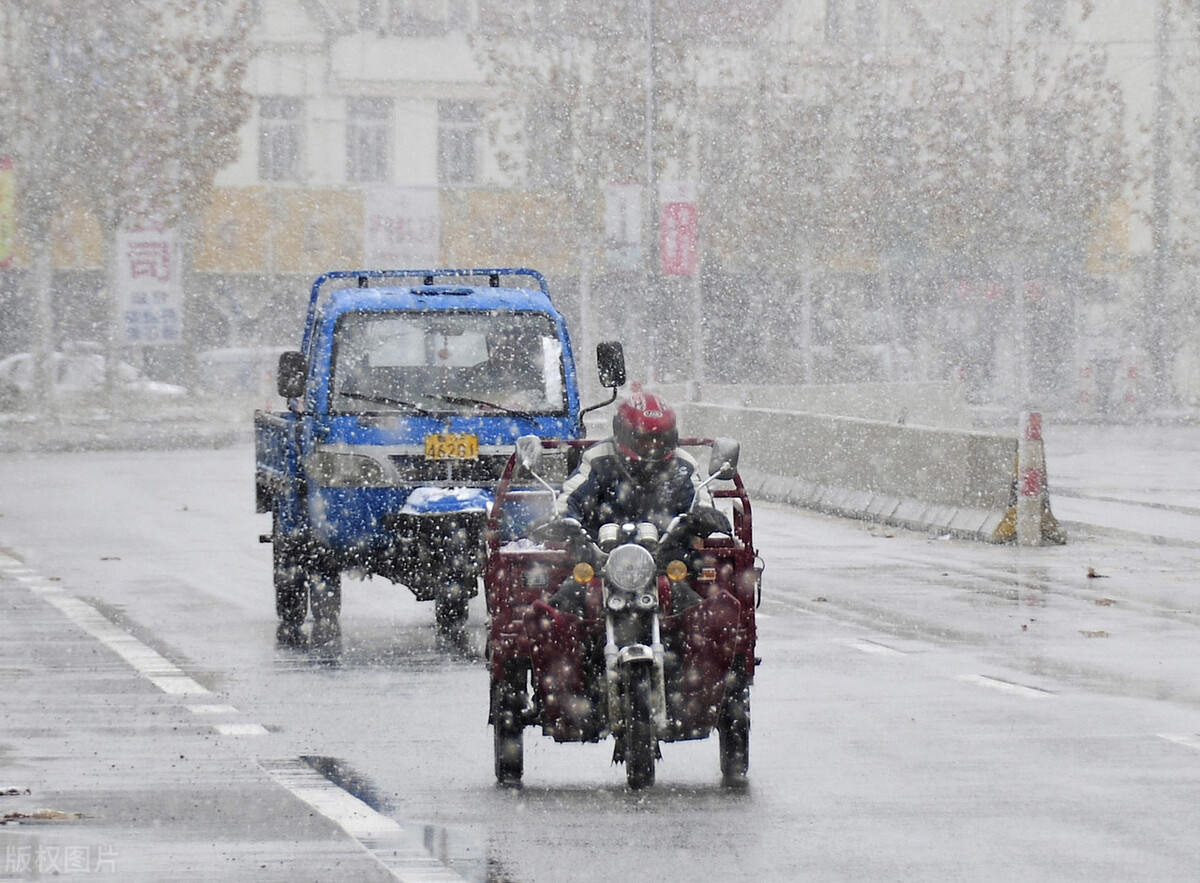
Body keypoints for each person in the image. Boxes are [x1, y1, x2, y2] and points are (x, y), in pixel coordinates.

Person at [555, 390, 712, 538]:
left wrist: (706, 515)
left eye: (660, 438)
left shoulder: (684, 465)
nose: (652, 445)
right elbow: (571, 496)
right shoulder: (598, 458)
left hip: (670, 550)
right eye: (643, 439)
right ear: (623, 433)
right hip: (600, 549)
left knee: (700, 562)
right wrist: (564, 519)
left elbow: (700, 498)